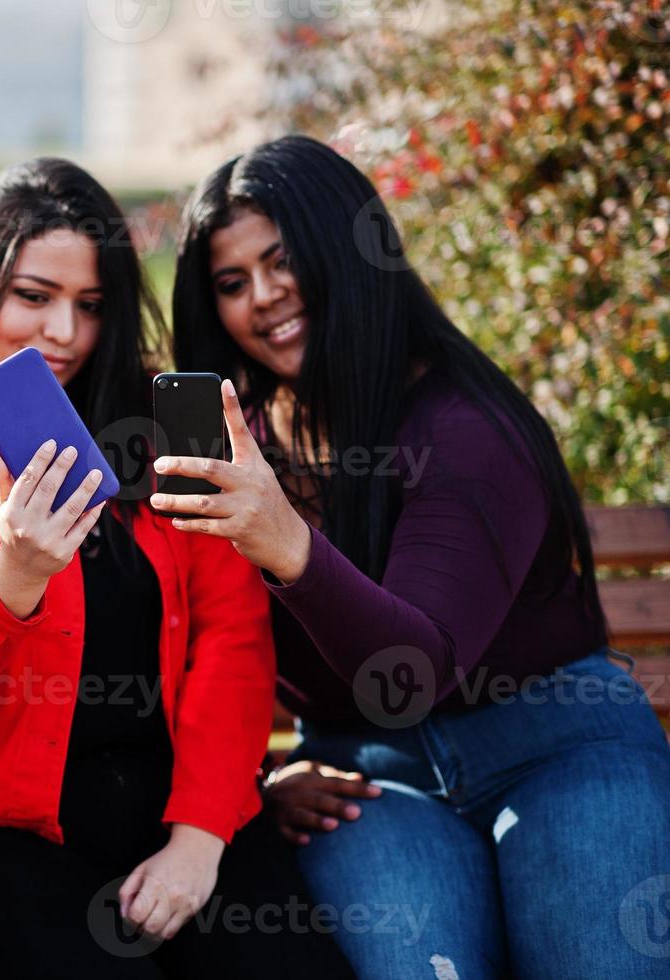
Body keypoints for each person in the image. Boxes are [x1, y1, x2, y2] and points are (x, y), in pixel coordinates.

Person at [159, 134, 670, 979]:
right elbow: (181, 637)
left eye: (284, 260)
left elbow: (411, 670)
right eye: (230, 282)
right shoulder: (229, 443)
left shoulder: (464, 428)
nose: (263, 298)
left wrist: (284, 540)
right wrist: (248, 786)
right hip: (367, 777)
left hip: (557, 744)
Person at [0, 157, 277, 978]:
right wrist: (14, 575)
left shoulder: (156, 430)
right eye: (33, 297)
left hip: (179, 814)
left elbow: (232, 637)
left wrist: (198, 839)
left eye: (90, 306)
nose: (64, 335)